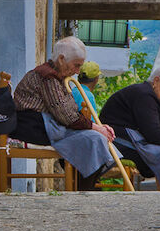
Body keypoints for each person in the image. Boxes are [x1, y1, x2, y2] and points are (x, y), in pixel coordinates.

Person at [10, 37, 117, 190]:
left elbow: (70, 110)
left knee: (96, 139)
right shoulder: (47, 76)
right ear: (61, 59)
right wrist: (97, 128)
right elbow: (66, 116)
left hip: (47, 126)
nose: (78, 71)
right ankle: (83, 190)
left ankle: (83, 188)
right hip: (32, 127)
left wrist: (98, 127)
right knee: (94, 139)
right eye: (76, 65)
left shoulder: (59, 77)